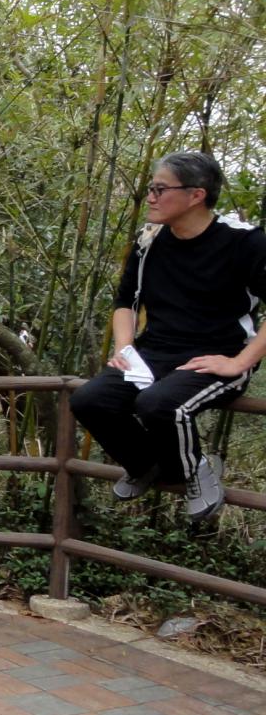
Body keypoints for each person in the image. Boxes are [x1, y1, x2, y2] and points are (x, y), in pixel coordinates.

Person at [70, 152, 266, 521]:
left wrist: (240, 361)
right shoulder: (149, 240)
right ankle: (148, 466)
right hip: (154, 352)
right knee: (89, 400)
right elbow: (125, 301)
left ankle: (196, 473)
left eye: (160, 189)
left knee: (158, 404)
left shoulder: (244, 241)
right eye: (151, 188)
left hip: (218, 356)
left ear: (196, 195)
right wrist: (125, 348)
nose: (150, 197)